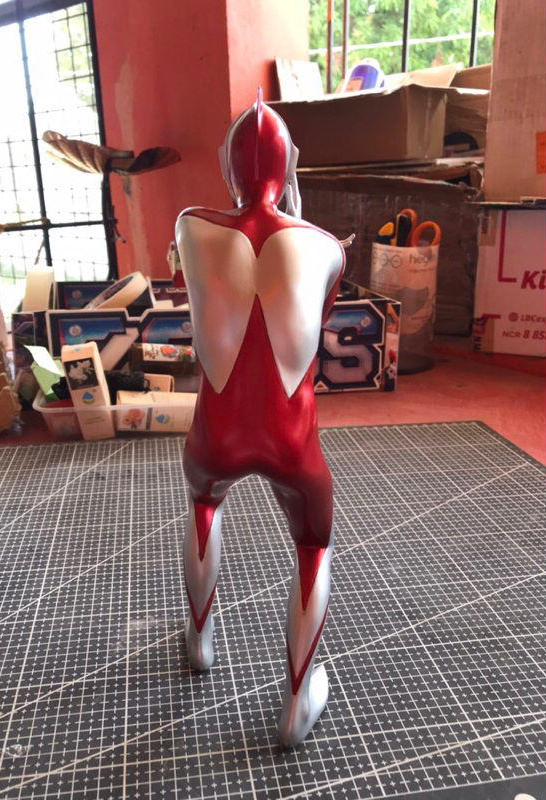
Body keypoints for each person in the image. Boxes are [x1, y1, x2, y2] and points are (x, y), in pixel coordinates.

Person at [174, 89, 345, 747]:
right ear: (290, 163)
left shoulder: (191, 225)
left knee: (203, 504)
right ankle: (297, 702)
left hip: (214, 435)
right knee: (313, 544)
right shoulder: (326, 246)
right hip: (291, 443)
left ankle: (200, 642)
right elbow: (314, 316)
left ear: (228, 166)